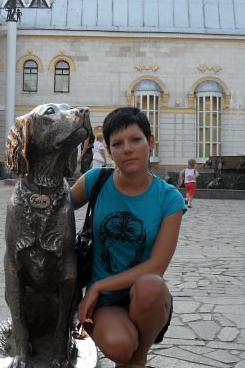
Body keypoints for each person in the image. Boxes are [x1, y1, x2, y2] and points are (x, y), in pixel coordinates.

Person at [71, 107, 186, 367]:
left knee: (151, 284)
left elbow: (157, 266)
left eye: (136, 140)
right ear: (109, 151)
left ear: (151, 142)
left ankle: (139, 358)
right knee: (121, 347)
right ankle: (131, 359)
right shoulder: (95, 181)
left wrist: (97, 286)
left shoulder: (168, 199)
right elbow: (56, 209)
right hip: (105, 303)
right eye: (118, 144)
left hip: (147, 299)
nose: (127, 149)